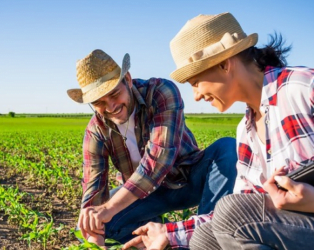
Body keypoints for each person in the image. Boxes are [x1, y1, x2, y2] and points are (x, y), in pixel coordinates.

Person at [123, 12, 314, 250]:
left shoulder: (304, 88)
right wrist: (169, 233)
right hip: (291, 230)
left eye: (196, 83)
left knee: (228, 212)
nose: (196, 95)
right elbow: (242, 210)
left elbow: (234, 213)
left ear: (225, 63)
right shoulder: (246, 132)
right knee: (206, 237)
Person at [66, 49, 237, 246]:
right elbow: (93, 187)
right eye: (99, 102)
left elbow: (158, 160)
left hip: (187, 180)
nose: (111, 106)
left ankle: (205, 239)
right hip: (144, 196)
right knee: (85, 226)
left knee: (227, 148)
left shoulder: (160, 92)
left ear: (127, 80)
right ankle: (156, 240)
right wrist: (94, 232)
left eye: (114, 94)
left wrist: (109, 208)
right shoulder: (97, 130)